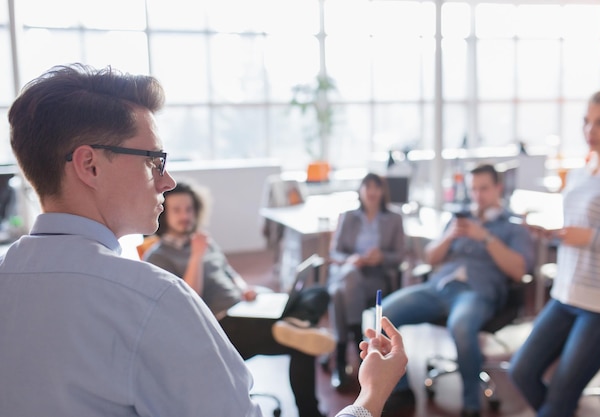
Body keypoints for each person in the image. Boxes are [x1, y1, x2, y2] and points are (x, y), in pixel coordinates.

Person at [0, 63, 408, 417]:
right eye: (153, 161)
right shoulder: (151, 298)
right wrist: (370, 397)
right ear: (89, 165)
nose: (167, 180)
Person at [143, 181, 334, 417]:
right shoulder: (159, 257)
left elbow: (227, 271)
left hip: (245, 308)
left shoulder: (204, 241)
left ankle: (295, 324)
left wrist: (244, 287)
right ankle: (310, 410)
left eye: (189, 209)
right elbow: (190, 300)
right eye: (177, 210)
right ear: (164, 214)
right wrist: (196, 255)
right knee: (304, 342)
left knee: (318, 293)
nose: (185, 216)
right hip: (221, 326)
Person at [508, 73, 600, 417]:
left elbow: (592, 234)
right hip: (566, 293)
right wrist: (555, 233)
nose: (591, 131)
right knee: (521, 371)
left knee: (560, 397)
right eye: (587, 122)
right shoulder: (579, 174)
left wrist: (589, 238)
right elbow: (578, 227)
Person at [380, 163, 536, 417]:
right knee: (385, 314)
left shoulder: (512, 227)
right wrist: (449, 237)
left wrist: (484, 237)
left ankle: (471, 403)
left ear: (498, 188)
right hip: (439, 287)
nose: (477, 195)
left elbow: (519, 270)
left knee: (461, 326)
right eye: (473, 189)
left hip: (477, 293)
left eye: (483, 188)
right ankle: (400, 389)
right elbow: (430, 258)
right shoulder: (459, 219)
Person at [326, 172, 406, 390]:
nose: (371, 192)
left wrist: (381, 257)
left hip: (376, 277)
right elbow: (335, 252)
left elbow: (399, 256)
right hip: (349, 273)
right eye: (367, 187)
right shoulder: (348, 216)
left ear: (382, 191)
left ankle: (341, 355)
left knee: (338, 293)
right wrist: (351, 259)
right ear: (360, 191)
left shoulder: (394, 218)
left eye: (376, 187)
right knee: (349, 278)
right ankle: (355, 338)